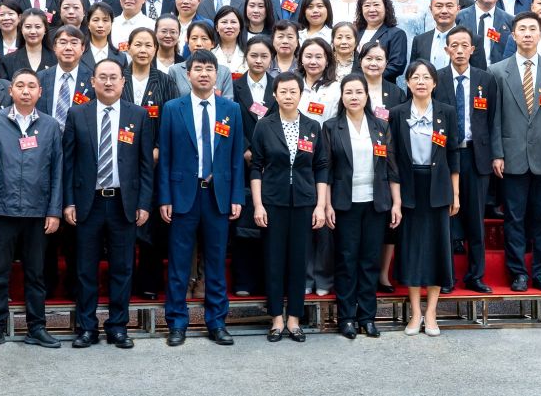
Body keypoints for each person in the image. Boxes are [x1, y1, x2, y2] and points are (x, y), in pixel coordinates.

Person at [155, 49, 244, 346]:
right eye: (198, 69)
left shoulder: (231, 109)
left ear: (217, 74)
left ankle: (217, 322)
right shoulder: (173, 108)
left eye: (209, 69)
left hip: (218, 195)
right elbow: (165, 157)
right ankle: (177, 323)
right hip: (183, 194)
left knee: (216, 263)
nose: (204, 74)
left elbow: (235, 157)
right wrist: (165, 197)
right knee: (179, 263)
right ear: (188, 74)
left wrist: (236, 196)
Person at [64, 57, 151, 349]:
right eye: (103, 77)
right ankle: (86, 327)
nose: (108, 82)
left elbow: (145, 165)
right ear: (93, 81)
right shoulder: (77, 114)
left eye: (114, 77)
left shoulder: (138, 115)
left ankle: (118, 326)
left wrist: (143, 203)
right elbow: (68, 163)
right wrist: (68, 202)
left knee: (122, 268)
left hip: (123, 204)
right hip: (87, 203)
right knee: (85, 269)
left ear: (123, 82)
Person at [0, 68, 62, 349]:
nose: (26, 91)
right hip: (2, 209)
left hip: (38, 212)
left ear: (40, 92)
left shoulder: (50, 125)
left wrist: (54, 210)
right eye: (20, 86)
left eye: (31, 86)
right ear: (10, 90)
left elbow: (57, 170)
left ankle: (37, 327)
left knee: (36, 274)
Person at [490, 12, 541, 292]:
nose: (527, 34)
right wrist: (497, 153)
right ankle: (518, 273)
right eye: (522, 29)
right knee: (514, 217)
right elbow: (494, 118)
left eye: (532, 29)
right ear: (513, 35)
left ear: (540, 34)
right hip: (511, 156)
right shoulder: (497, 71)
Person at [317, 72, 397, 338]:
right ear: (342, 97)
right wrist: (327, 204)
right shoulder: (331, 127)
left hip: (375, 202)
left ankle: (367, 317)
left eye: (359, 92)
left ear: (366, 95)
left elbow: (391, 167)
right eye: (348, 92)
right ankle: (347, 317)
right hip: (345, 203)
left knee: (370, 260)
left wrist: (396, 202)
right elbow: (326, 169)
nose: (354, 97)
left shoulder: (380, 126)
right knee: (347, 259)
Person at [248, 70, 321, 342]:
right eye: (283, 91)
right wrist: (258, 205)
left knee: (299, 260)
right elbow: (256, 167)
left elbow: (321, 167)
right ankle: (276, 318)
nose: (288, 96)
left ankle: (294, 319)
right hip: (273, 201)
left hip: (303, 202)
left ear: (301, 95)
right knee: (274, 259)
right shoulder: (264, 126)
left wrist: (320, 205)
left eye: (293, 91)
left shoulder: (313, 126)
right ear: (275, 95)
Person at [389, 61, 459, 334]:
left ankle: (431, 313)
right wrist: (396, 197)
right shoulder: (397, 113)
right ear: (407, 83)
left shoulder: (446, 112)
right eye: (415, 77)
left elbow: (453, 154)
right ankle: (415, 313)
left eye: (426, 77)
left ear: (434, 83)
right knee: (411, 250)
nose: (421, 82)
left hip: (438, 187)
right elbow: (392, 158)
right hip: (409, 187)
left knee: (437, 250)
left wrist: (455, 194)